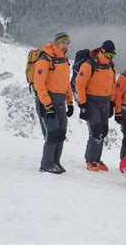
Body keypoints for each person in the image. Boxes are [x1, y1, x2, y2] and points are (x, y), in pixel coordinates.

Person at [34, 32, 74, 174]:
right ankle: (46, 164)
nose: (66, 45)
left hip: (61, 102)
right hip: (48, 101)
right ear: (56, 43)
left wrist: (70, 101)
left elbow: (66, 82)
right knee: (52, 133)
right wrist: (47, 105)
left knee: (61, 133)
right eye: (63, 43)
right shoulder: (45, 59)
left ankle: (56, 162)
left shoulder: (64, 60)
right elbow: (39, 85)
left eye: (68, 43)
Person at [75, 40, 116, 172]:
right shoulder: (89, 64)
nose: (110, 57)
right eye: (109, 55)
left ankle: (97, 160)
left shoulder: (110, 65)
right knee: (96, 131)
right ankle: (91, 160)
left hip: (105, 102)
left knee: (103, 132)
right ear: (102, 51)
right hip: (91, 102)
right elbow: (79, 85)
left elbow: (112, 84)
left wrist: (112, 101)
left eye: (113, 55)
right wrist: (83, 104)